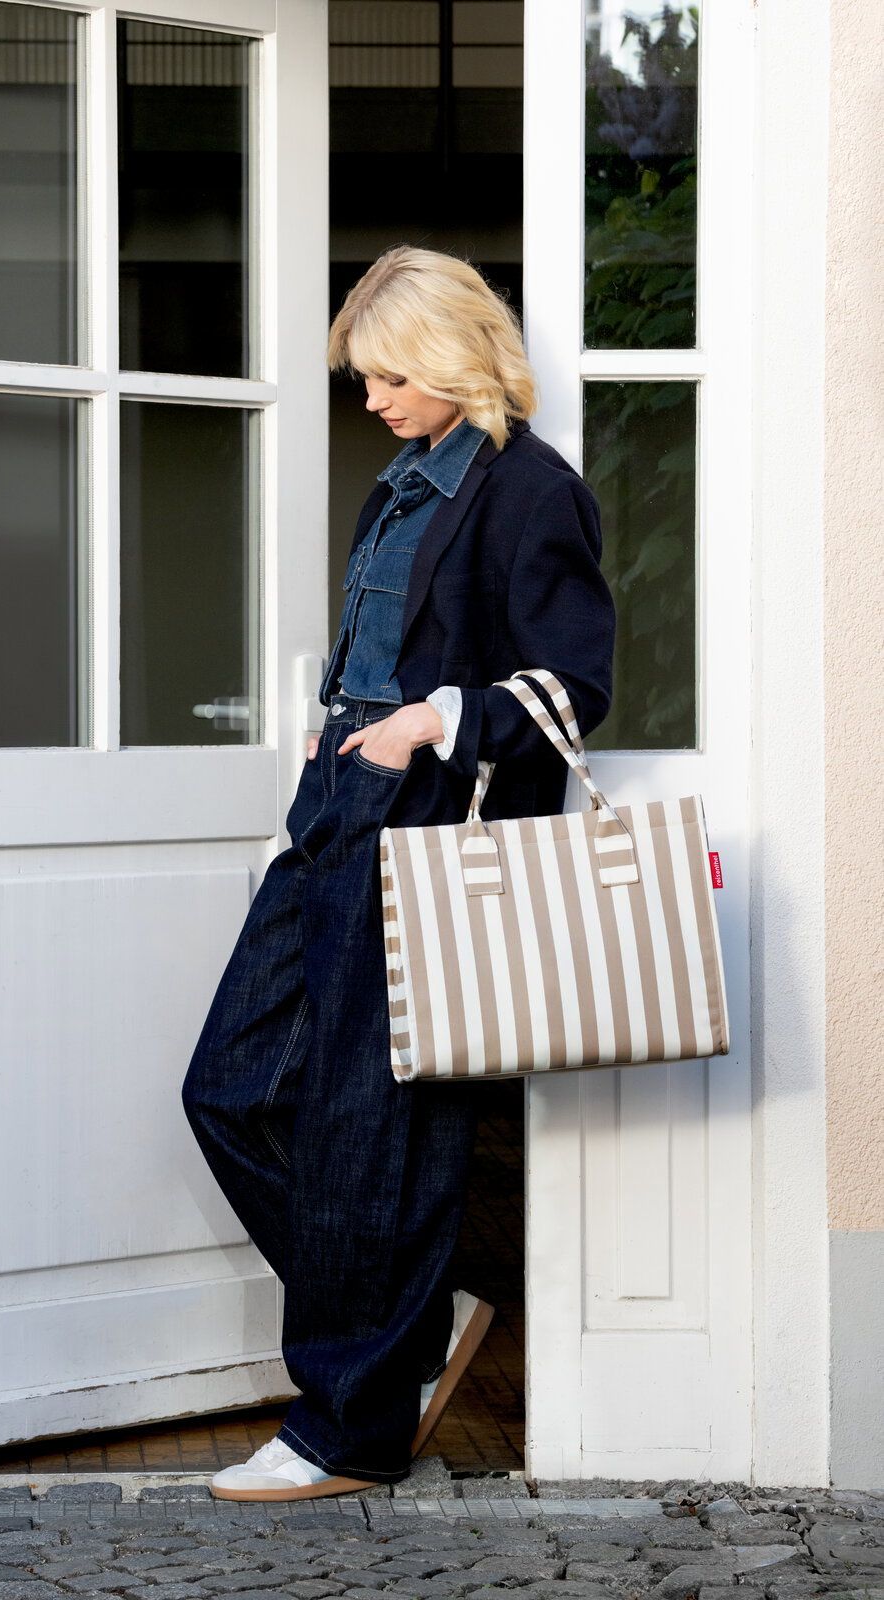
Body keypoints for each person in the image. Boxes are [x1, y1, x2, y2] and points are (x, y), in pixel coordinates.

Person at [181, 246, 616, 1501]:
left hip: (420, 817)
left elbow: (572, 685)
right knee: (231, 1088)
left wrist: (429, 720)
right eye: (362, 377)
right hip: (337, 804)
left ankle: (347, 1427)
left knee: (376, 1131)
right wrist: (335, 730)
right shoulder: (398, 488)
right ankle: (401, 1330)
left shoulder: (531, 492)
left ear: (448, 357)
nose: (368, 398)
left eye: (384, 374)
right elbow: (372, 642)